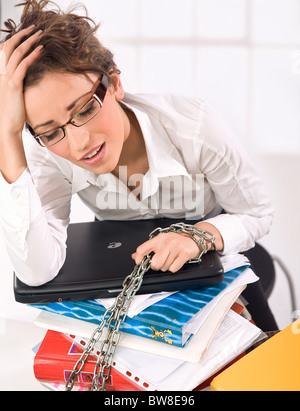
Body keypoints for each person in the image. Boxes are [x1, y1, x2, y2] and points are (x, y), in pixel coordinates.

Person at [0, 1, 277, 330]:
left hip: (213, 258)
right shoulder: (48, 152)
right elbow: (36, 271)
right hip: (130, 275)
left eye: (85, 110)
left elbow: (258, 214)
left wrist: (202, 236)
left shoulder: (195, 127)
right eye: (49, 131)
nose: (78, 144)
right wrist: (7, 134)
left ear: (114, 83)